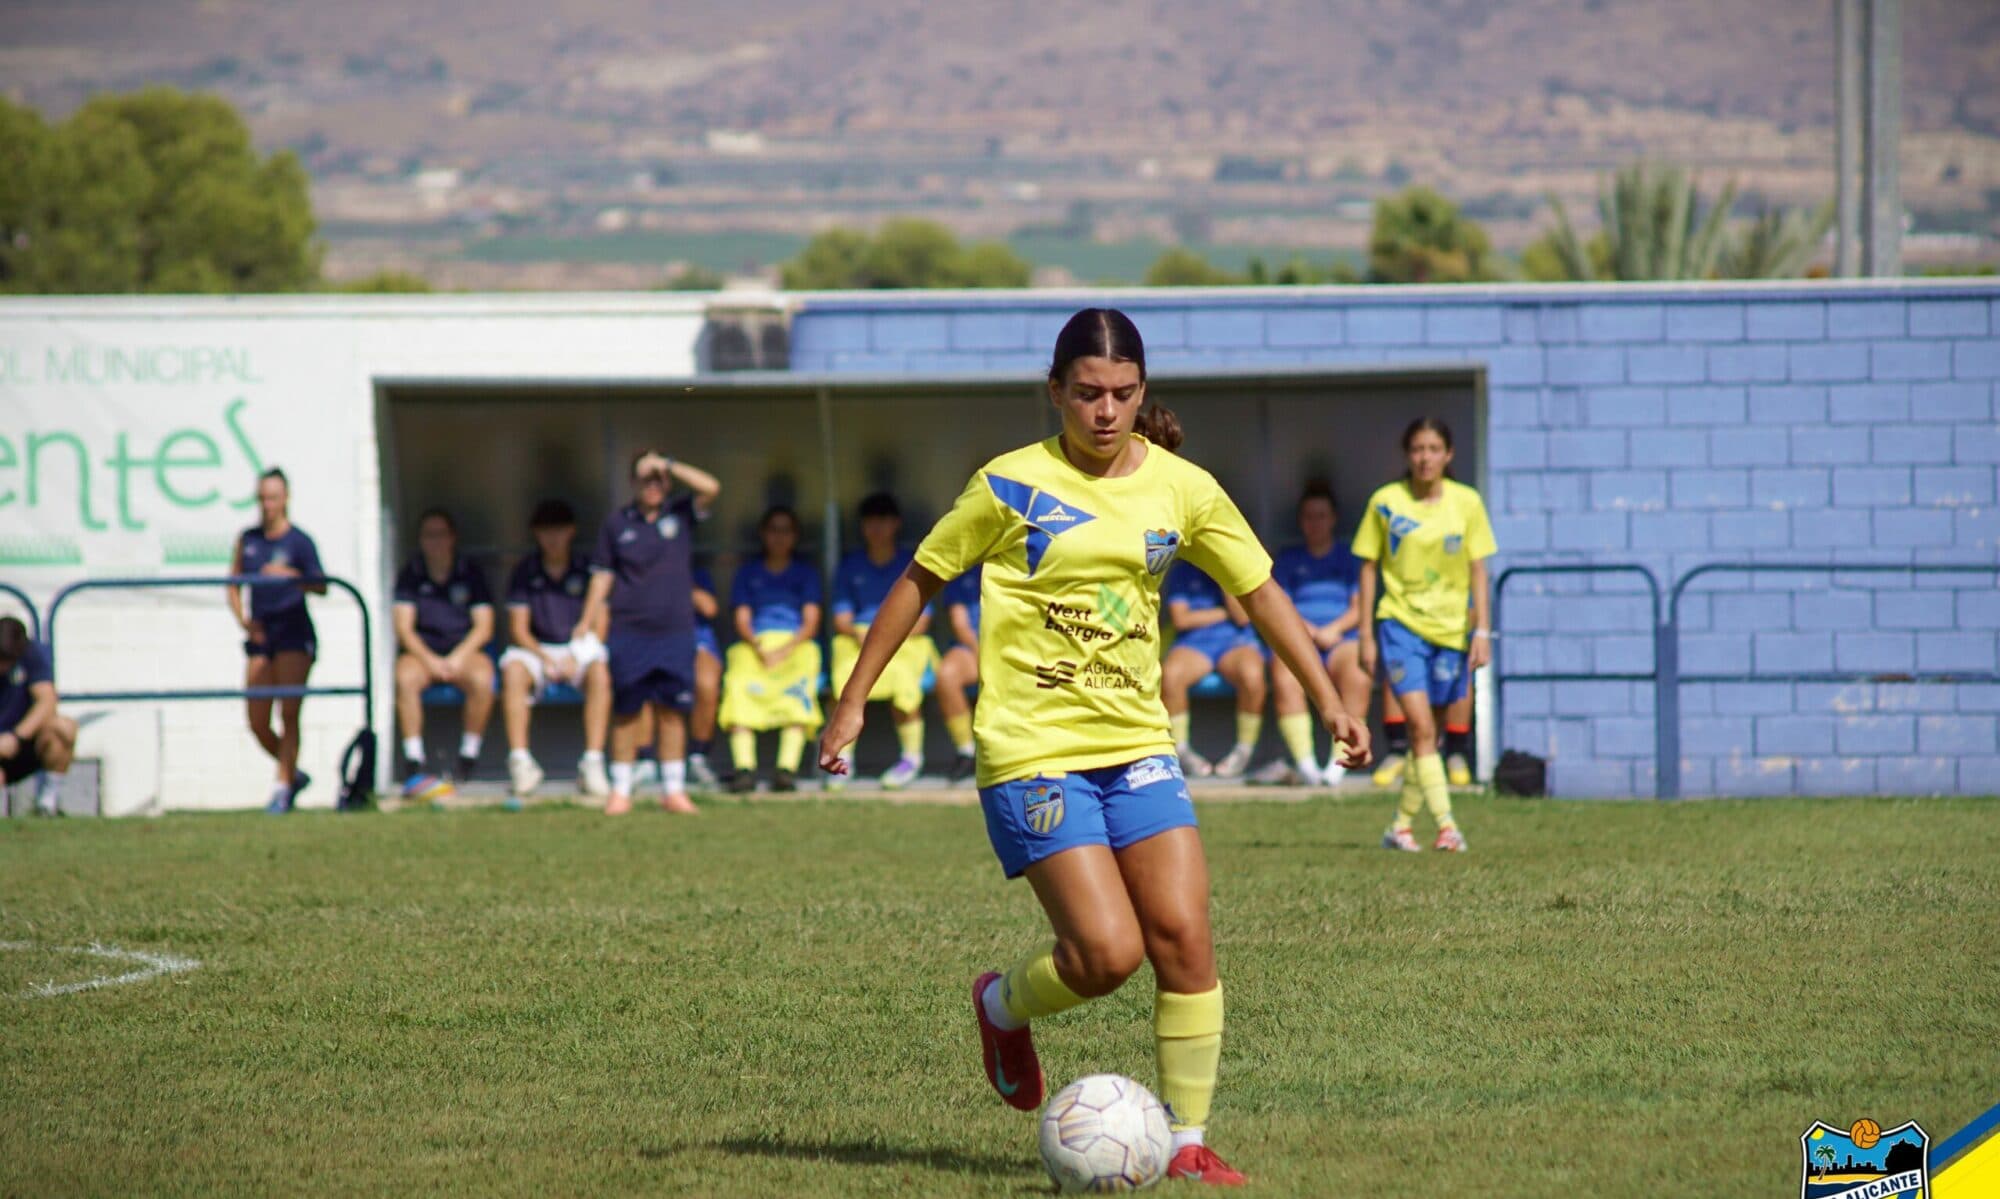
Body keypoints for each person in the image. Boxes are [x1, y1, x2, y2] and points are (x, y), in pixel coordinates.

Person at [818, 308, 1370, 1186]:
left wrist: (1330, 694)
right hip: (1032, 750)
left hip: (1138, 744)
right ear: (1055, 392)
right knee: (1108, 955)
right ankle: (1001, 1004)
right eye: (1086, 394)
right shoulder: (1007, 485)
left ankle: (1187, 1139)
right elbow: (916, 583)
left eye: (1121, 393)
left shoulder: (1184, 489)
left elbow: (1260, 591)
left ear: (1142, 392)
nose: (1105, 411)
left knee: (1185, 935)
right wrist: (852, 702)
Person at [1355, 417, 1495, 853]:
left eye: (1434, 448)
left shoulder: (1467, 503)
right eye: (1417, 448)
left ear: (1448, 454)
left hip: (1451, 628)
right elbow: (1368, 565)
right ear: (1407, 454)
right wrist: (1365, 634)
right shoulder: (1386, 502)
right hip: (1400, 624)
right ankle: (1448, 826)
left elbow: (1478, 569)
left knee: (1427, 738)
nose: (1425, 457)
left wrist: (1482, 630)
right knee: (1418, 725)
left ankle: (1399, 827)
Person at [578, 449, 721, 815]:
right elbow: (602, 577)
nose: (653, 486)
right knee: (627, 711)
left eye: (659, 480)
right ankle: (621, 791)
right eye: (646, 479)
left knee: (672, 711)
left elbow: (712, 487)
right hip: (630, 631)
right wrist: (586, 620)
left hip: (674, 631)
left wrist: (669, 463)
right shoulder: (616, 523)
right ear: (633, 483)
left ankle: (673, 789)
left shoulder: (681, 514)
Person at [499, 499, 611, 805]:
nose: (553, 537)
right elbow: (519, 629)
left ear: (571, 531)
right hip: (536, 649)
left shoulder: (588, 570)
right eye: (546, 530)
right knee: (513, 672)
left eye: (559, 530)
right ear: (536, 533)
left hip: (579, 647)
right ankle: (521, 763)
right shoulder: (525, 572)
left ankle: (593, 763)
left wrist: (575, 656)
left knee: (600, 672)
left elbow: (600, 624)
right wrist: (547, 658)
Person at [228, 467, 327, 813]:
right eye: (262, 498)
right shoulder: (249, 539)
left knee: (289, 713)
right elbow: (233, 583)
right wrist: (244, 621)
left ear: (285, 499)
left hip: (293, 631)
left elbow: (322, 585)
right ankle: (294, 773)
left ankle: (282, 786)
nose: (266, 505)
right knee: (257, 720)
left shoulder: (299, 541)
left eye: (272, 497)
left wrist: (291, 576)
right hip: (262, 632)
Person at [1262, 481, 1371, 786]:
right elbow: (1278, 604)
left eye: (1322, 516)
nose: (1315, 523)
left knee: (1358, 672)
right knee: (1284, 673)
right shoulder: (1288, 559)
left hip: (1340, 639)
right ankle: (1307, 766)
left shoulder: (1349, 557)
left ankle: (1337, 765)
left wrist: (1332, 630)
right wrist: (1308, 631)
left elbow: (1359, 606)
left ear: (1333, 519)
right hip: (1301, 637)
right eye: (1309, 516)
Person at [827, 492, 938, 790]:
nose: (876, 528)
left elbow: (923, 619)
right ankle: (840, 758)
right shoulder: (850, 566)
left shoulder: (912, 564)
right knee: (844, 682)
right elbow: (841, 618)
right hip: (857, 640)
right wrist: (858, 633)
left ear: (896, 524)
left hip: (905, 642)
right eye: (870, 522)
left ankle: (911, 759)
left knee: (905, 684)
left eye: (883, 521)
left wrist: (885, 636)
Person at [717, 506, 823, 793]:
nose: (779, 537)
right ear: (763, 534)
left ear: (795, 536)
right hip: (756, 643)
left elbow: (811, 622)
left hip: (796, 643)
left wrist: (786, 649)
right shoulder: (748, 572)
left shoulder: (805, 573)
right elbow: (742, 618)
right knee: (737, 685)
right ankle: (744, 769)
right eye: (773, 530)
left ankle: (786, 769)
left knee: (798, 690)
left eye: (785, 530)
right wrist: (759, 647)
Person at [393, 508, 496, 791]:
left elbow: (484, 626)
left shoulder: (470, 572)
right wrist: (430, 660)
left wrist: (456, 658)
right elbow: (404, 628)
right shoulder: (411, 574)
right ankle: (414, 762)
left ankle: (468, 756)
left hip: (463, 652)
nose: (435, 541)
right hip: (423, 654)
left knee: (483, 678)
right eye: (428, 535)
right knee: (404, 678)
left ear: (453, 538)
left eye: (440, 534)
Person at [1159, 561, 1266, 779]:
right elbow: (1181, 619)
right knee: (1170, 675)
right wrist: (1222, 613)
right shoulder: (1183, 569)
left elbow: (1242, 616)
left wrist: (1221, 574)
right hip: (1195, 643)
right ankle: (1182, 751)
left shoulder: (1235, 564)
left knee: (1252, 675)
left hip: (1235, 641)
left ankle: (1243, 751)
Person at [0, 616, 78, 817]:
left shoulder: (31, 654)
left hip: (21, 743)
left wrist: (16, 737)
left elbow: (47, 701)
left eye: (6, 659)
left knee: (63, 728)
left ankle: (47, 804)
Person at [933, 565, 982, 784]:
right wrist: (983, 654)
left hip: (1014, 647)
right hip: (974, 648)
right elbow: (959, 623)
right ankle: (966, 751)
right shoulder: (964, 572)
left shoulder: (1023, 564)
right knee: (946, 674)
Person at [686, 565, 724, 789]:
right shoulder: (640, 568)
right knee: (645, 677)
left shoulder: (694, 573)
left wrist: (679, 580)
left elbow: (710, 608)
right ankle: (645, 759)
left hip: (695, 641)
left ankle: (698, 757)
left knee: (706, 682)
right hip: (655, 637)